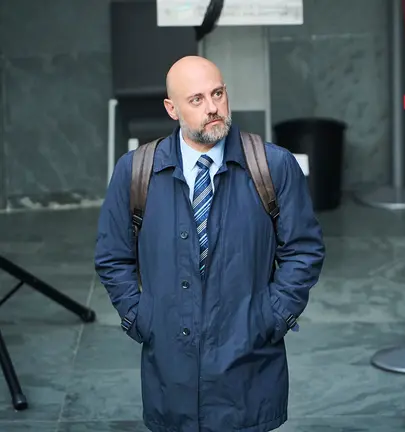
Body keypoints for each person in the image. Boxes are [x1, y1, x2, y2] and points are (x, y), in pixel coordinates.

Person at [94, 56, 325, 432]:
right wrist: (141, 317)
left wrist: (272, 316)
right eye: (196, 99)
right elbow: (112, 256)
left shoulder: (274, 166)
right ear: (172, 109)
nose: (213, 107)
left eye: (218, 93)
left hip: (249, 363)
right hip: (170, 365)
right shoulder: (135, 171)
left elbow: (304, 250)